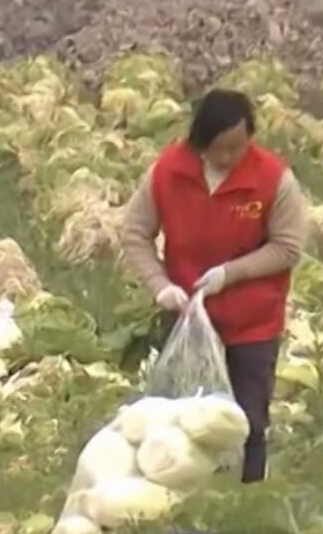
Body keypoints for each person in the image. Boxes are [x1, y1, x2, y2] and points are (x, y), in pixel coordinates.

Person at [121, 88, 309, 483]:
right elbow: (135, 233)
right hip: (187, 314)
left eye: (237, 147)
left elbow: (288, 247)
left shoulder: (272, 179)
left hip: (252, 320)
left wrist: (230, 274)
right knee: (179, 418)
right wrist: (160, 286)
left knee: (247, 421)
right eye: (218, 149)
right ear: (198, 141)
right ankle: (177, 496)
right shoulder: (169, 172)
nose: (227, 158)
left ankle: (248, 500)